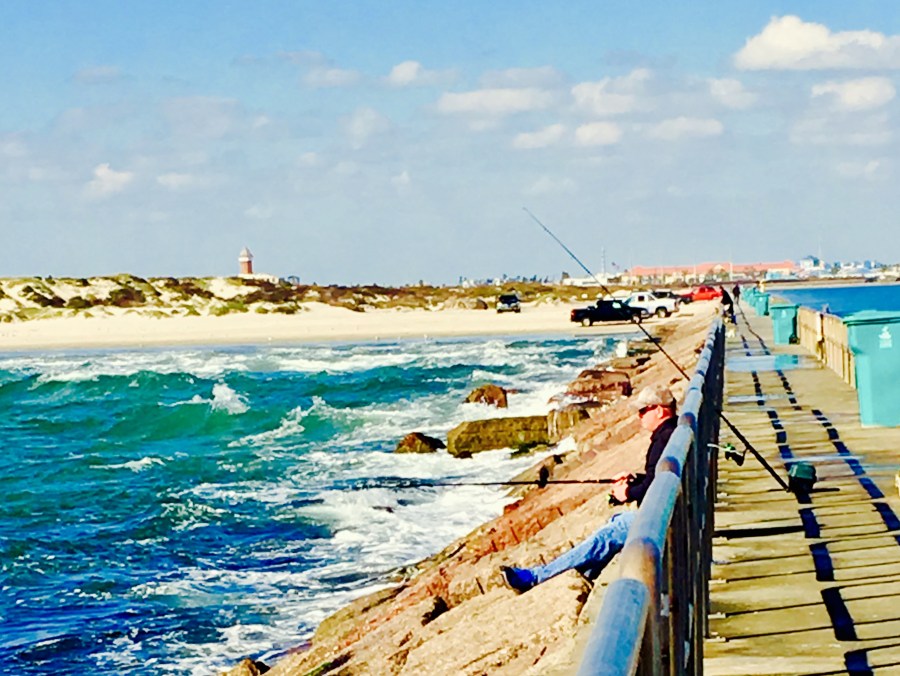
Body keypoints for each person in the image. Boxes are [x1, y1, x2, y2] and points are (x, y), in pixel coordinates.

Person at [500, 384, 678, 593]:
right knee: (614, 522)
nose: (639, 416)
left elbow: (656, 486)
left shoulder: (664, 439)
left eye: (643, 410)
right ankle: (586, 574)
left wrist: (627, 493)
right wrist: (633, 479)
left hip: (661, 520)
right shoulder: (672, 433)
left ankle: (535, 577)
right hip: (667, 511)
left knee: (608, 534)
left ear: (659, 410)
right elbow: (660, 477)